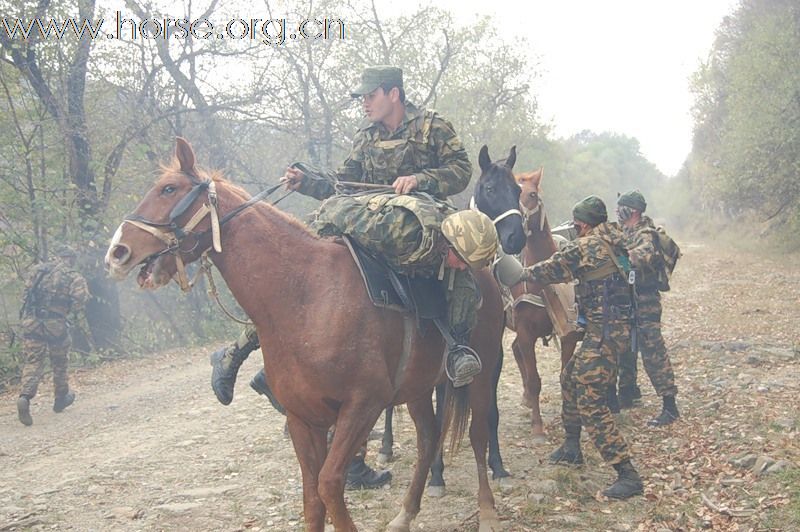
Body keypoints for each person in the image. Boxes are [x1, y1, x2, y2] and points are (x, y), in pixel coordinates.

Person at [210, 65, 476, 487]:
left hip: (420, 214)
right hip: (369, 216)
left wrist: (421, 178)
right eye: (362, 97)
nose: (365, 103)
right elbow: (344, 183)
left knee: (459, 257)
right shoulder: (366, 136)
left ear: (393, 93)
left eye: (370, 95)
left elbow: (462, 170)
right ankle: (242, 350)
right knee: (314, 268)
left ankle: (458, 346)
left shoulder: (432, 125)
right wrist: (307, 181)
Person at [520, 196, 644, 499]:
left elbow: (549, 269)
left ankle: (627, 473)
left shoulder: (586, 246)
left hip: (604, 332)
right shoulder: (614, 239)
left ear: (583, 223)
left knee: (590, 398)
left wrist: (518, 272)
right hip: (612, 329)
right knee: (569, 377)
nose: (575, 228)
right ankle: (572, 445)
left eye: (577, 223)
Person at [616, 190, 680, 426]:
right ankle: (628, 392)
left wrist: (616, 257)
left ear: (632, 211)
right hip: (628, 299)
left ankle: (669, 405)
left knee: (652, 350)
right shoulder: (626, 231)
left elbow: (638, 257)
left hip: (645, 301)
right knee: (625, 347)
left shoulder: (646, 234)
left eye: (620, 207)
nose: (616, 211)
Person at [16, 244, 90, 426]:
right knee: (60, 361)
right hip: (55, 324)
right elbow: (81, 299)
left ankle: (25, 396)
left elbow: (24, 295)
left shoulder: (37, 271)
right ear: (70, 259)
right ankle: (61, 397)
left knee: (33, 361)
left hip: (32, 323)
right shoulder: (73, 276)